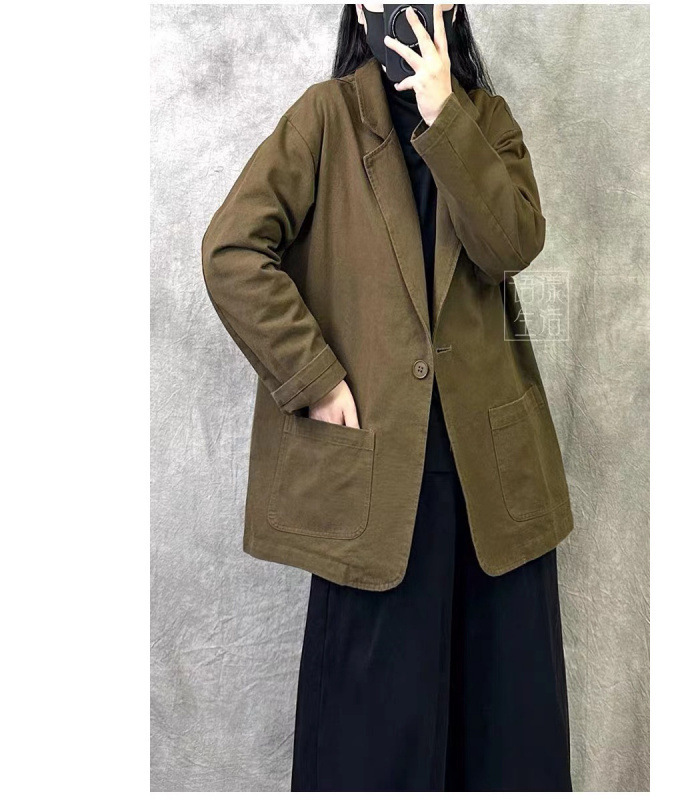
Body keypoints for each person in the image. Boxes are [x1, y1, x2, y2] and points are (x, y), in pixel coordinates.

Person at [201, 3, 575, 791]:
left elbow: (510, 245)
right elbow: (232, 249)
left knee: (505, 737)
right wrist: (312, 377)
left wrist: (446, 116)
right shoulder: (324, 118)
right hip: (374, 475)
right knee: (371, 744)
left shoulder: (488, 120)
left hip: (491, 483)